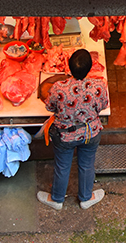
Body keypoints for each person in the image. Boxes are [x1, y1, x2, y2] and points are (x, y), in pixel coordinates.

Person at [37, 49, 110, 210]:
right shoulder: (98, 86)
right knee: (87, 164)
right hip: (90, 133)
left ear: (69, 68)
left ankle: (57, 200)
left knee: (62, 166)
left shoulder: (58, 88)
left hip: (65, 135)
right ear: (90, 68)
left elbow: (49, 107)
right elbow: (104, 105)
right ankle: (86, 198)